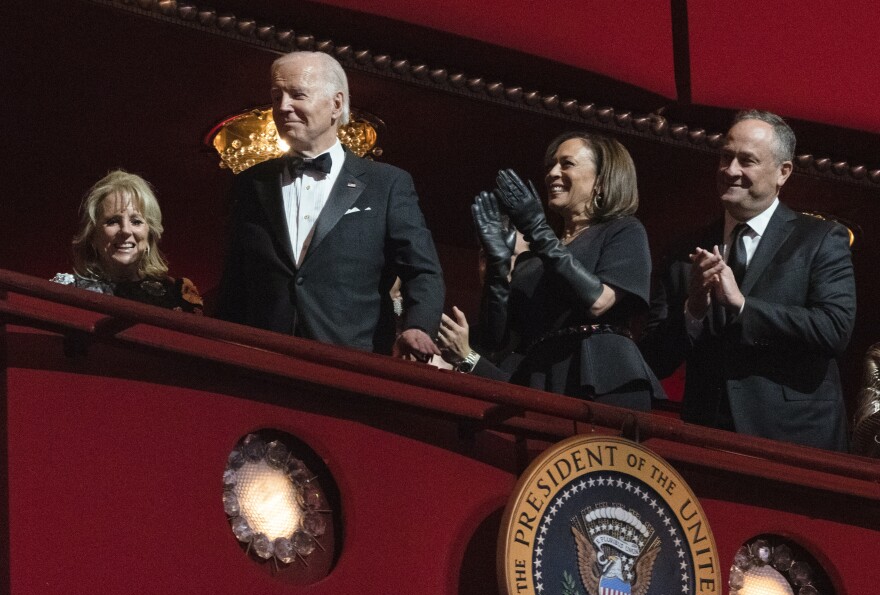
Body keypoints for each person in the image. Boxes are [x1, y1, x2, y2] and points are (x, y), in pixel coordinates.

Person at [640, 109, 856, 450]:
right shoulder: (686, 251)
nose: (730, 171)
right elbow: (655, 359)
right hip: (708, 435)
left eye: (747, 160)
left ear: (783, 172)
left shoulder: (819, 239)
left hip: (794, 438)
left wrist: (743, 307)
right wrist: (692, 312)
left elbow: (834, 329)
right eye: (726, 157)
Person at [216, 51, 444, 359]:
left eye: (297, 95)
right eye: (276, 96)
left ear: (336, 104)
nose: (283, 107)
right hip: (262, 362)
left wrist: (417, 326)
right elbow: (235, 280)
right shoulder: (251, 182)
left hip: (350, 365)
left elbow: (422, 270)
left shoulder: (387, 184)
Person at [441, 132, 664, 411]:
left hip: (601, 380)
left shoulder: (623, 230)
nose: (552, 173)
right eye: (551, 165)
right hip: (541, 380)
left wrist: (537, 230)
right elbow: (495, 339)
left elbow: (599, 301)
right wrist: (498, 269)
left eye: (566, 164)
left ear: (602, 179)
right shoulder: (534, 259)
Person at [51, 170, 203, 313]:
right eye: (112, 221)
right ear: (92, 235)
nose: (125, 230)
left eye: (136, 221)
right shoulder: (68, 292)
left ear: (150, 235)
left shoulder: (178, 294)